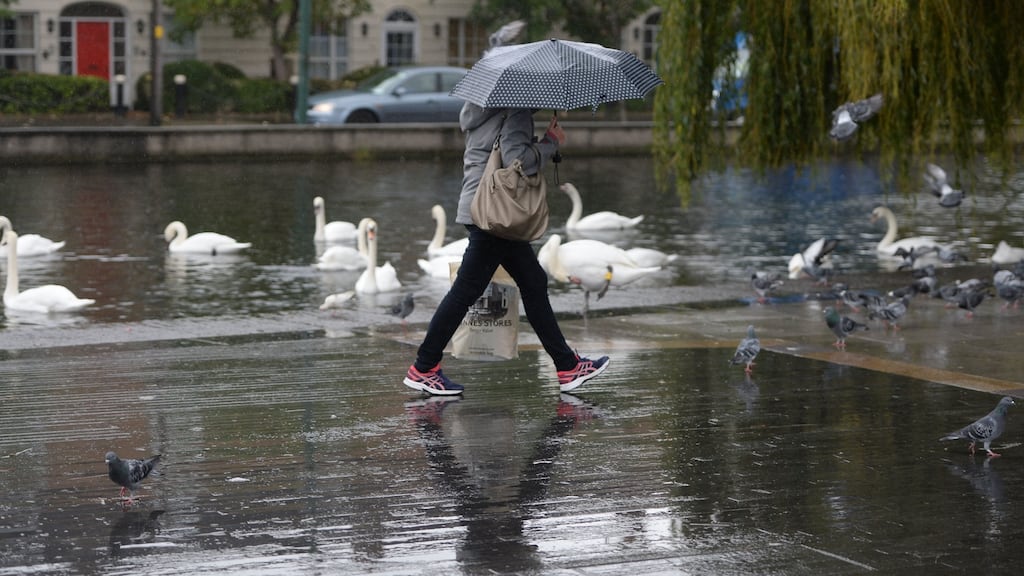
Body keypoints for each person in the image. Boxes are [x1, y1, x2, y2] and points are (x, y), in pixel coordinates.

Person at [403, 103, 609, 395]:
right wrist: (550, 142)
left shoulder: (479, 108)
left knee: (533, 281)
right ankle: (423, 367)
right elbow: (517, 160)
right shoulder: (517, 111)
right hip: (496, 214)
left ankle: (567, 366)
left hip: (482, 207)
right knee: (465, 292)